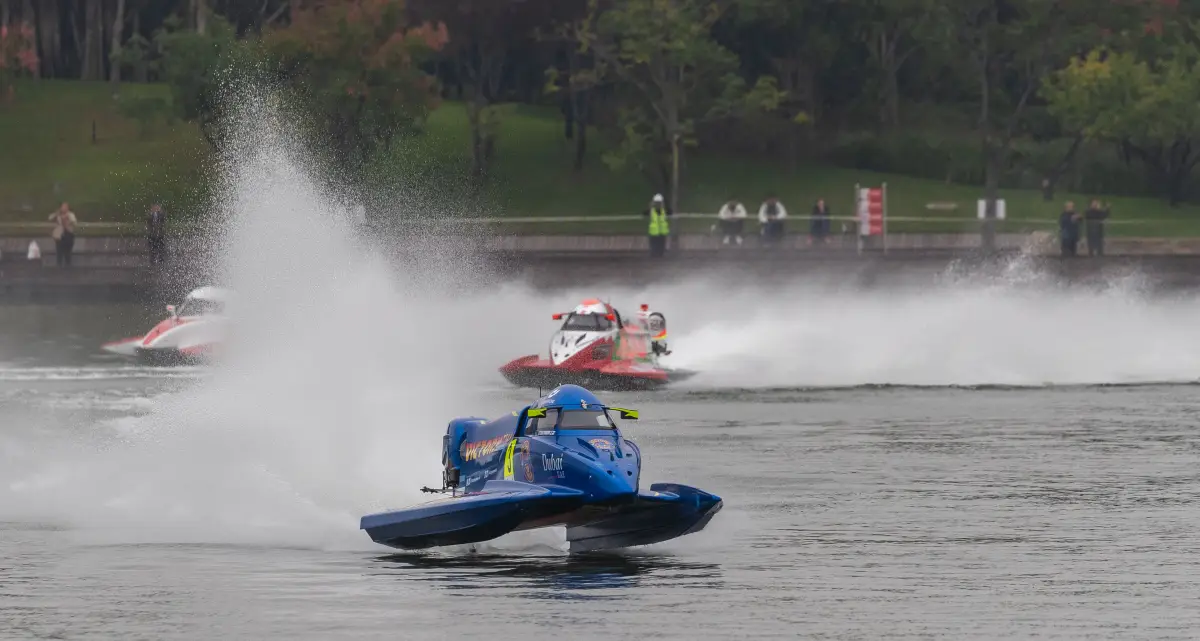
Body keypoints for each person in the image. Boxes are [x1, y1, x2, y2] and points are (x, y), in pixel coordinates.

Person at [48, 202, 77, 267]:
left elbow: (74, 222)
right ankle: (59, 265)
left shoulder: (70, 214)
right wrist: (56, 214)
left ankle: (68, 265)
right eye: (63, 207)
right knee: (59, 251)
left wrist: (67, 219)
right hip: (59, 235)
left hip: (68, 234)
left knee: (67, 252)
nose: (64, 208)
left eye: (66, 207)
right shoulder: (58, 215)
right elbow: (50, 218)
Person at [643, 193, 672, 258]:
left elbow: (670, 212)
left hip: (662, 232)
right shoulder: (651, 211)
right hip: (653, 232)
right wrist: (650, 207)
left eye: (659, 203)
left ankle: (659, 256)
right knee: (654, 248)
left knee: (661, 248)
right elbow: (644, 213)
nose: (658, 204)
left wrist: (663, 206)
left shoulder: (664, 210)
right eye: (657, 203)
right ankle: (654, 256)